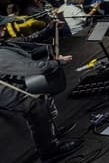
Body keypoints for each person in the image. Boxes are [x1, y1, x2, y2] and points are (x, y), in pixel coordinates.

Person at [0, 15, 80, 162]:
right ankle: (49, 151)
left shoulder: (2, 43)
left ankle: (50, 135)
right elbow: (33, 69)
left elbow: (25, 41)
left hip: (14, 85)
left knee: (41, 103)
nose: (4, 28)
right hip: (9, 92)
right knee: (35, 108)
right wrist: (57, 63)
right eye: (1, 26)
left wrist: (48, 30)